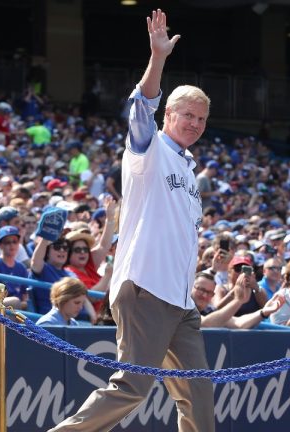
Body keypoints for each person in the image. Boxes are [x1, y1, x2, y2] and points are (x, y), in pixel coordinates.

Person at [50, 10, 215, 431]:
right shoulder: (148, 150)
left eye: (201, 118)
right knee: (133, 387)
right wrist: (158, 58)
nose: (194, 124)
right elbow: (141, 107)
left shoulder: (188, 166)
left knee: (198, 395)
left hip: (180, 301)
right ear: (169, 116)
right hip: (146, 289)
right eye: (187, 115)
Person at [194, 272, 284, 329]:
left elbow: (238, 323)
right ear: (190, 287)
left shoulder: (209, 310)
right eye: (201, 289)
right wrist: (238, 301)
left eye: (209, 293)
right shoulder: (184, 307)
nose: (204, 295)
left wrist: (263, 312)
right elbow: (205, 324)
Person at [0, 226, 29, 309]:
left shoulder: (21, 267)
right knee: (14, 301)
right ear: (0, 245)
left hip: (15, 307)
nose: (12, 245)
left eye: (15, 241)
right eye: (7, 242)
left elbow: (25, 294)